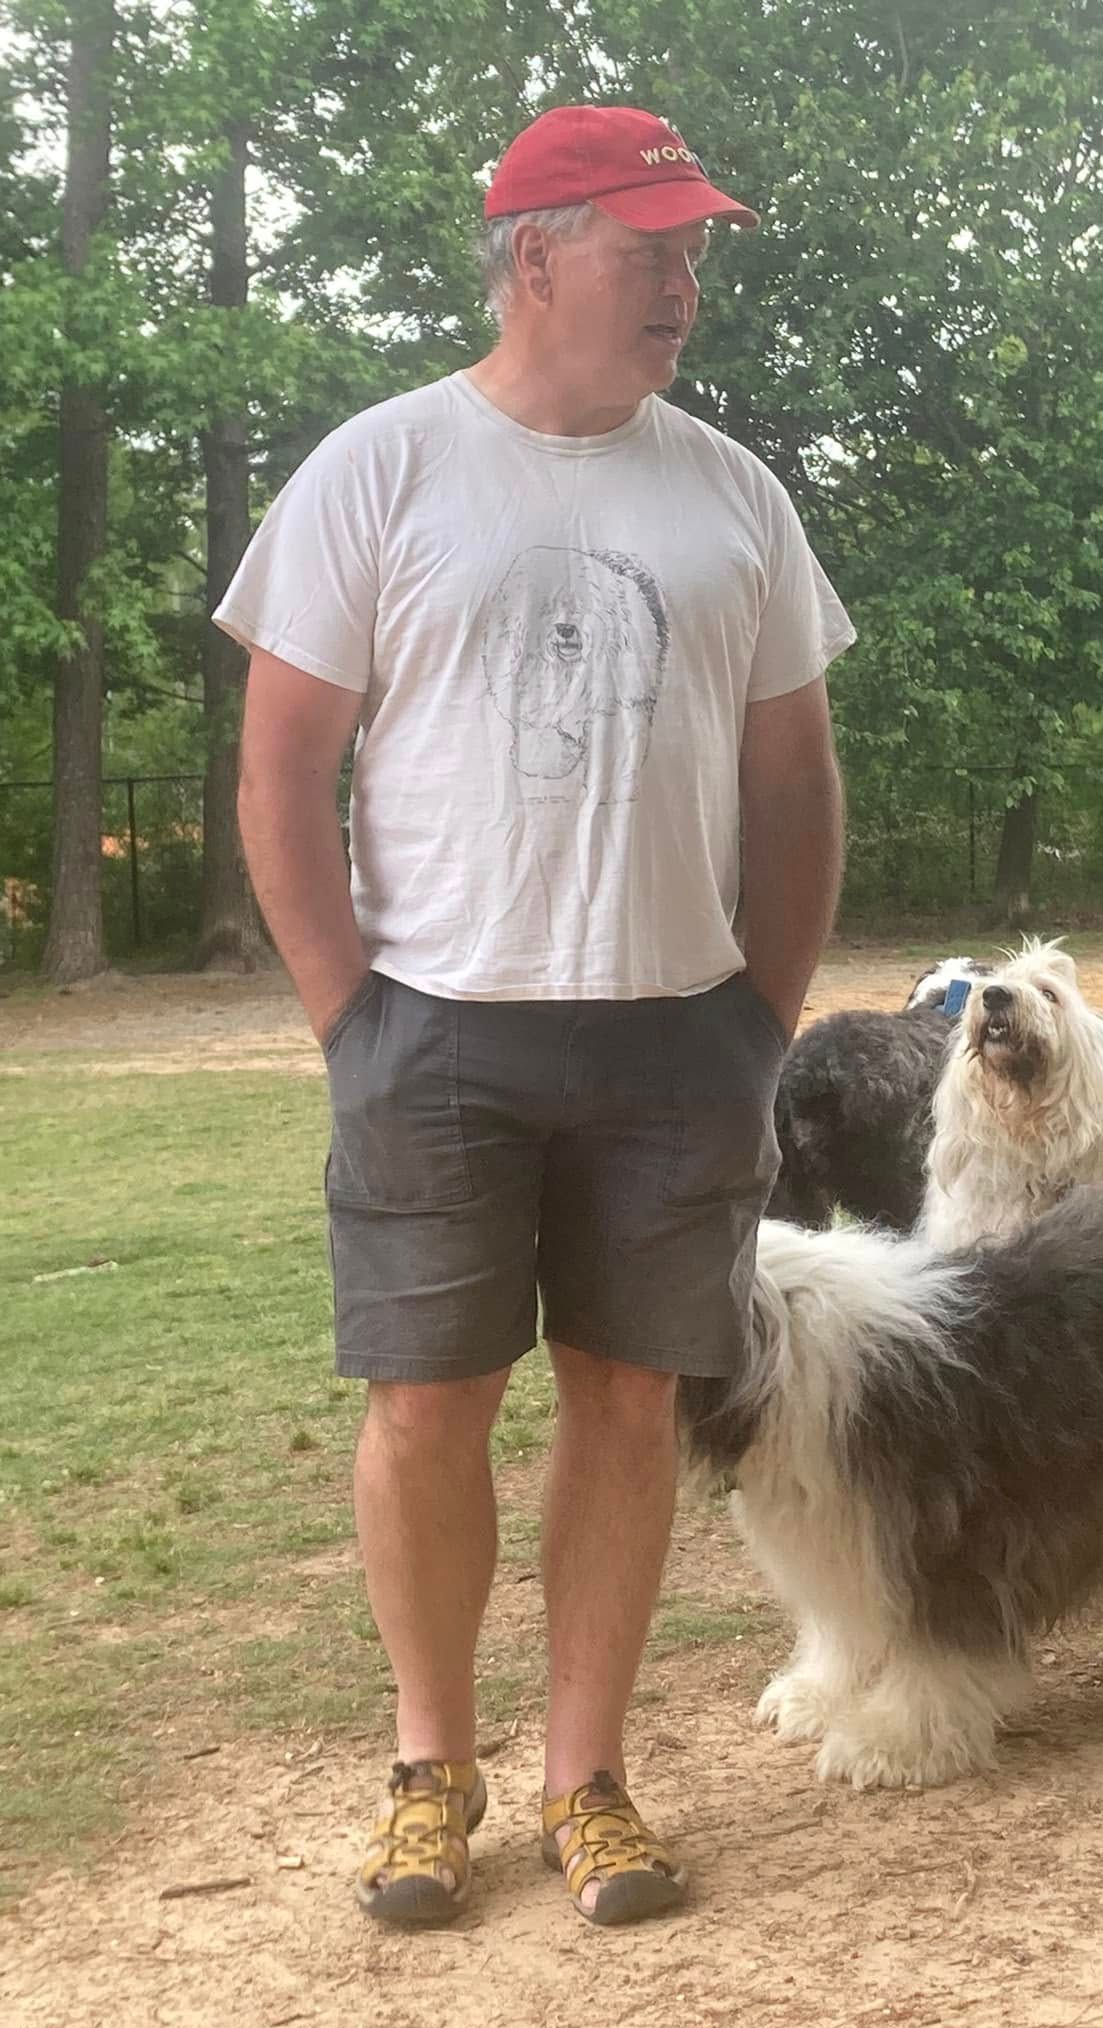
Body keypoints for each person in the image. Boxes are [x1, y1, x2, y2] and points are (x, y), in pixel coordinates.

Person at [218, 103, 851, 1930]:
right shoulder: (382, 467)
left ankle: (589, 1776)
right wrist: (355, 1019)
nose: (686, 280)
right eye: (651, 245)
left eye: (696, 249)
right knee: (425, 1406)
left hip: (677, 1041)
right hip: (437, 1030)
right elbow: (280, 768)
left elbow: (796, 780)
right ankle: (434, 1768)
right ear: (537, 253)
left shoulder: (734, 492)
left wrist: (761, 1013)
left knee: (630, 1404)